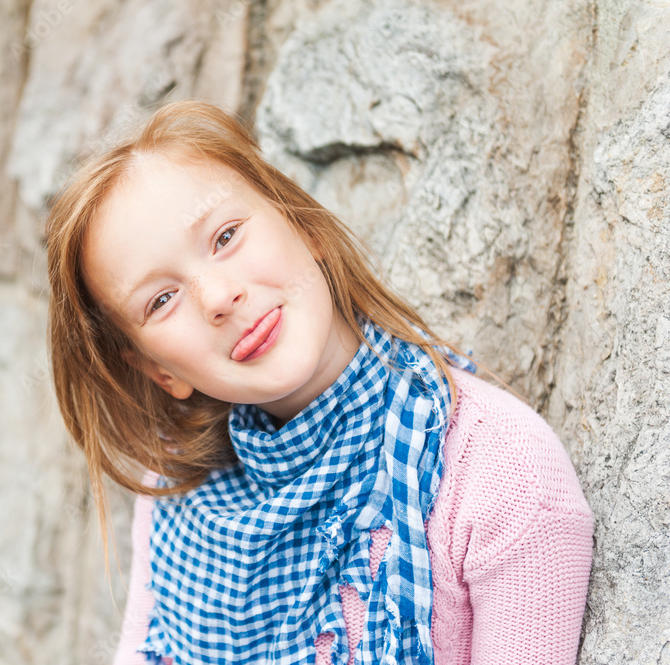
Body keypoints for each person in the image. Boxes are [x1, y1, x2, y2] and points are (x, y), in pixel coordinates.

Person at [44, 100, 594, 665]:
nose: (217, 297)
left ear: (304, 227)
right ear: (161, 371)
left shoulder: (502, 475)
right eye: (161, 300)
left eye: (226, 236)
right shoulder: (177, 491)